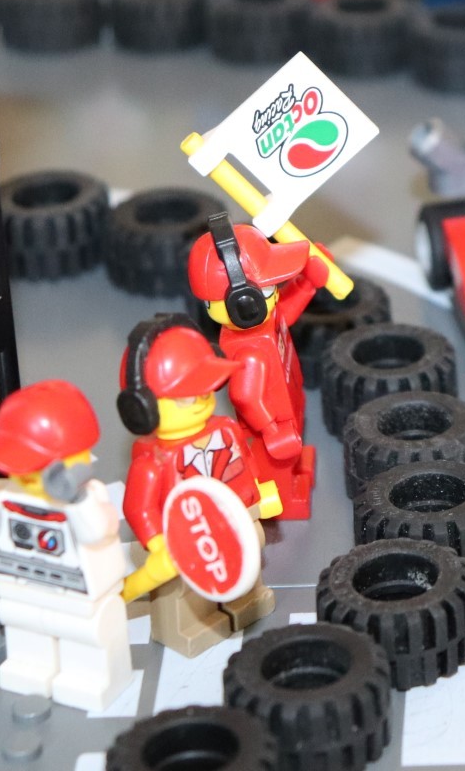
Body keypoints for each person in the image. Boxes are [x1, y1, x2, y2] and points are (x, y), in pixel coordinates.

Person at [0, 380, 132, 713]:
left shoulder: (87, 498)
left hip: (77, 592)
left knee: (84, 632)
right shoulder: (10, 492)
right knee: (24, 626)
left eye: (33, 466)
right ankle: (30, 667)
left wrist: (76, 499)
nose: (23, 475)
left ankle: (89, 676)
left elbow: (98, 531)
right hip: (22, 585)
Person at [118, 317, 280, 657]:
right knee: (184, 584)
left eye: (206, 392)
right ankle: (192, 623)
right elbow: (138, 507)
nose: (201, 402)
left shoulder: (224, 429)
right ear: (142, 408)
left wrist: (258, 492)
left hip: (239, 512)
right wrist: (158, 543)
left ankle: (244, 600)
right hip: (185, 532)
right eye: (185, 398)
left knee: (249, 552)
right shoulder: (154, 460)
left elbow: (244, 461)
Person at [187, 213, 330, 520]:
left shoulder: (262, 323)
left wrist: (307, 285)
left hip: (287, 400)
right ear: (244, 302)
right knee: (275, 465)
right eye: (266, 290)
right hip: (272, 422)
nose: (275, 291)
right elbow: (245, 397)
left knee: (294, 447)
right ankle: (286, 497)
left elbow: (283, 316)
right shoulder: (248, 351)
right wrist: (272, 431)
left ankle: (296, 471)